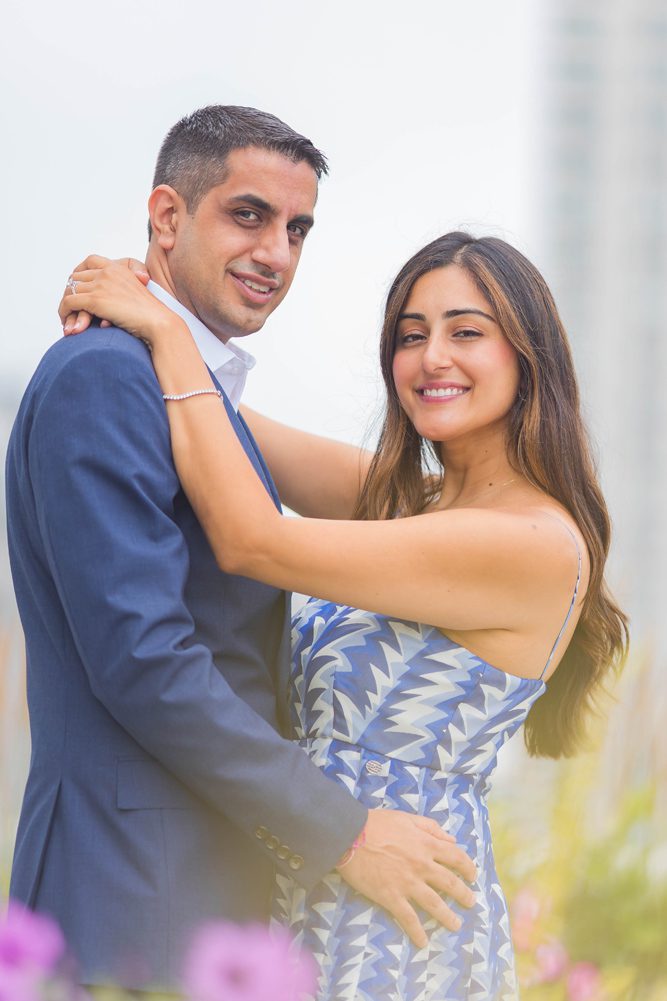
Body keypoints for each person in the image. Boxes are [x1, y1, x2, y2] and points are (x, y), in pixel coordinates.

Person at [59, 231, 628, 1000]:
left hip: (392, 914)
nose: (431, 358)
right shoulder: (410, 506)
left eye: (466, 332)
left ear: (528, 357)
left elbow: (250, 538)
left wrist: (160, 328)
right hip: (314, 872)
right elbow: (221, 423)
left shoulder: (530, 544)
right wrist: (141, 323)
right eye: (409, 335)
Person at [5, 107, 477, 994]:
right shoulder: (104, 377)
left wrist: (165, 328)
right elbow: (144, 660)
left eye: (297, 230)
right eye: (249, 215)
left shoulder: (182, 387)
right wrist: (346, 831)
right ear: (168, 216)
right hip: (130, 882)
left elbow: (398, 501)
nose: (278, 254)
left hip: (197, 876)